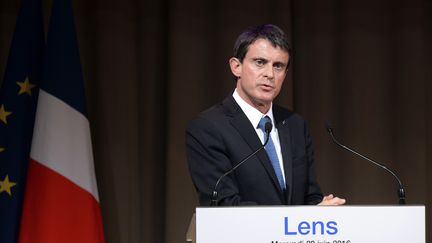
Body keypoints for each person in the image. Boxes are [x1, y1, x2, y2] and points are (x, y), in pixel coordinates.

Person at [186, 24, 345, 206]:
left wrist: (320, 210)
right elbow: (223, 205)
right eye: (260, 62)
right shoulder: (208, 127)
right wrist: (290, 220)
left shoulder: (295, 125)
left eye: (278, 66)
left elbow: (309, 196)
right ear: (236, 66)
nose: (270, 74)